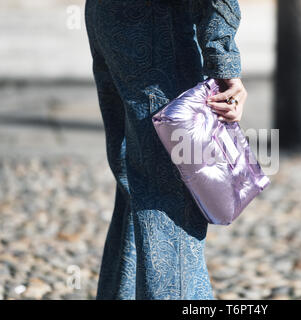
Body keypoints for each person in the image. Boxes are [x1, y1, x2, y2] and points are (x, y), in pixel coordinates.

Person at [84, 0, 247, 299]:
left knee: (139, 185)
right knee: (173, 196)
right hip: (157, 27)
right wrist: (223, 61)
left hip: (107, 17)